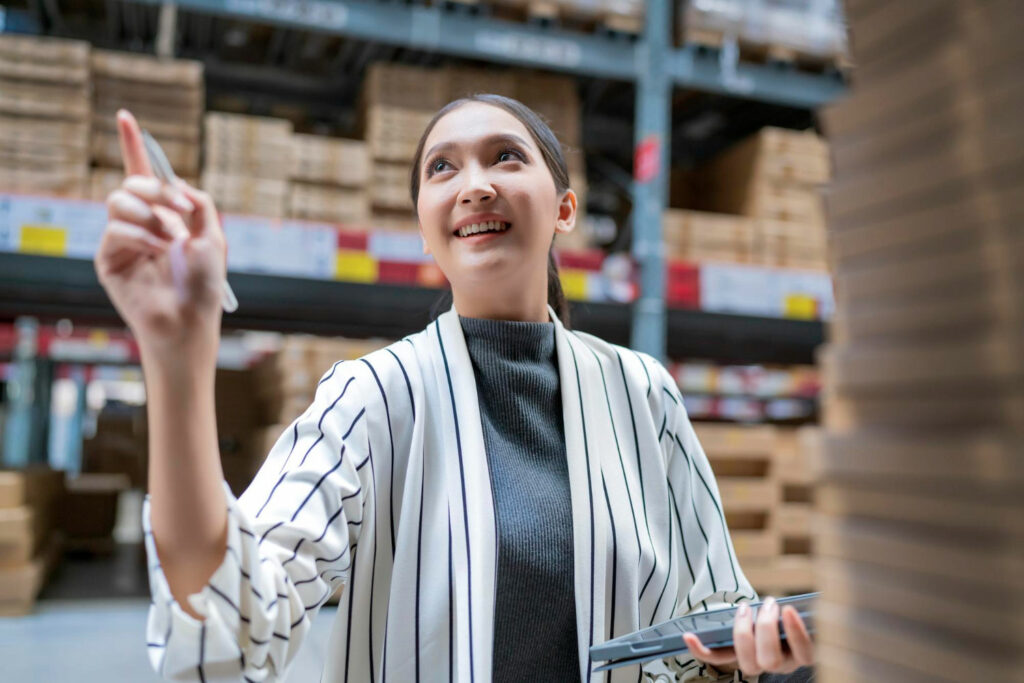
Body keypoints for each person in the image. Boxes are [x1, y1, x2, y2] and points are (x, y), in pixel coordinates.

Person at [96, 96, 814, 682]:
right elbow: (233, 621)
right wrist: (177, 359)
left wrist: (745, 650)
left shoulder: (641, 392)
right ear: (424, 228)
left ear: (565, 210)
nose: (475, 183)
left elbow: (716, 608)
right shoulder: (373, 397)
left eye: (506, 156)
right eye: (443, 168)